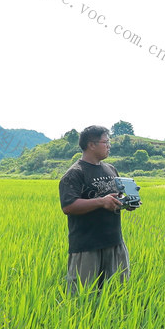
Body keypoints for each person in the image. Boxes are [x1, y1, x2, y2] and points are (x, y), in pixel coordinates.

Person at [59, 125, 135, 294]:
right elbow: (68, 206)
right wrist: (101, 202)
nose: (109, 146)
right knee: (83, 297)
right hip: (87, 246)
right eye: (105, 142)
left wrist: (127, 202)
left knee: (117, 295)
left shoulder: (111, 169)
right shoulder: (75, 174)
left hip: (115, 242)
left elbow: (116, 197)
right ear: (91, 144)